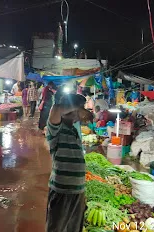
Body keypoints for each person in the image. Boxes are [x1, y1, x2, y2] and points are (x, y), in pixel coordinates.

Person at [46, 94, 93, 232]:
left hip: (77, 189)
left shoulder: (73, 129)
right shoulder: (56, 129)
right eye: (77, 110)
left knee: (74, 228)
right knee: (57, 227)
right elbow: (55, 109)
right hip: (62, 189)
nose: (79, 115)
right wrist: (78, 108)